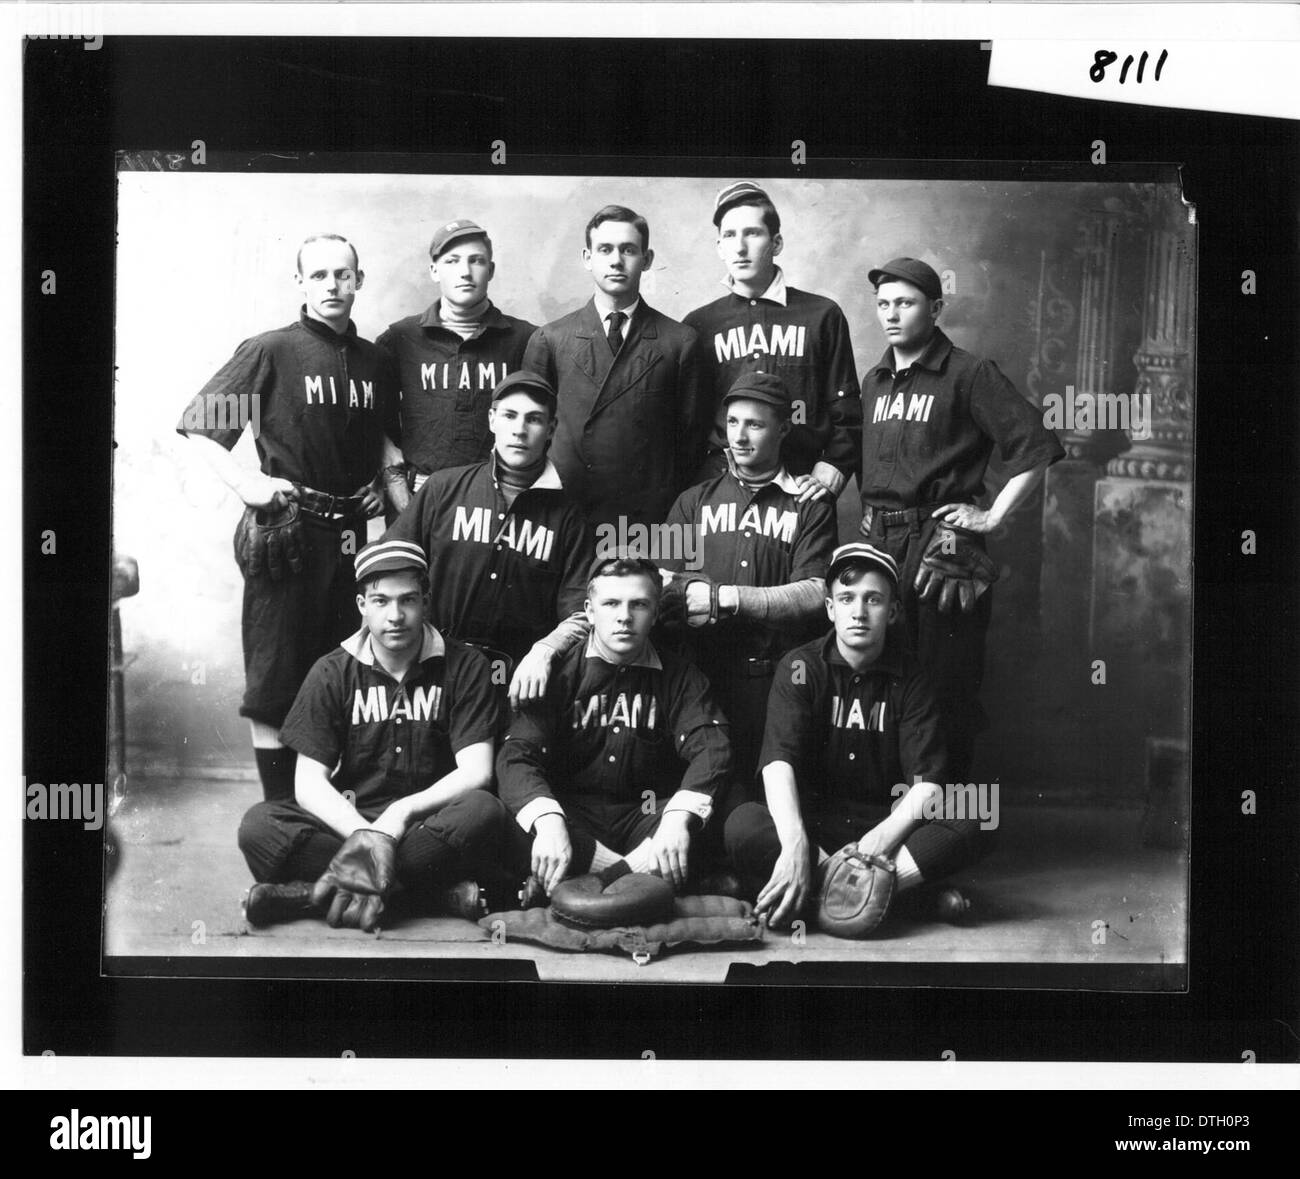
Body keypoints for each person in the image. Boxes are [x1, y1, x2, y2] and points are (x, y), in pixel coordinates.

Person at [177, 233, 398, 802]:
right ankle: (279, 816)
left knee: (344, 673)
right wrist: (245, 482)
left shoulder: (376, 359)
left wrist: (379, 485)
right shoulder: (270, 349)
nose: (332, 285)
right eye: (319, 275)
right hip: (288, 532)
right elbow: (198, 428)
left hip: (353, 539)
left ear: (359, 281)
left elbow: (382, 443)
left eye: (342, 275)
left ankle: (330, 816)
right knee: (278, 681)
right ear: (299, 283)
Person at [860, 256, 1065, 776]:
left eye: (904, 303)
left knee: (942, 682)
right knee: (880, 672)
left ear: (936, 307)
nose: (891, 314)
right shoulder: (875, 380)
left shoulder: (969, 373)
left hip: (941, 543)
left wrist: (992, 517)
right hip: (881, 543)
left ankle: (944, 826)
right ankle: (891, 813)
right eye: (883, 304)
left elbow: (1036, 446)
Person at [237, 539, 506, 929]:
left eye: (408, 600)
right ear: (362, 606)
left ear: (426, 601)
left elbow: (477, 771)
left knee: (484, 809)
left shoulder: (466, 665)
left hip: (428, 826)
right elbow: (308, 783)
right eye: (380, 601)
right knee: (259, 825)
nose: (395, 615)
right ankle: (428, 896)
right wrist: (365, 835)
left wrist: (398, 818)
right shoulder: (332, 671)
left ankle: (311, 896)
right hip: (352, 820)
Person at [725, 543, 984, 931]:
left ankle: (821, 895)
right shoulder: (799, 666)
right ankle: (903, 898)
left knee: (978, 811)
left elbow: (927, 787)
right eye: (846, 598)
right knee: (742, 823)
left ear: (893, 611)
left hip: (888, 828)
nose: (859, 612)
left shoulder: (913, 676)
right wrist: (795, 845)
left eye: (873, 600)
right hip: (815, 830)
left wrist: (871, 849)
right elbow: (778, 764)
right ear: (830, 608)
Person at [495, 555, 733, 897]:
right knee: (508, 814)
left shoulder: (681, 675)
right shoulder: (557, 672)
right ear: (590, 612)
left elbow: (713, 749)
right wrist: (549, 823)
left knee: (720, 809)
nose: (624, 616)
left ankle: (594, 882)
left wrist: (678, 818)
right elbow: (516, 757)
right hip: (573, 820)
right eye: (611, 604)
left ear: (654, 614)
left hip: (647, 815)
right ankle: (641, 879)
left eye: (638, 604)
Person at [658, 370, 836, 792]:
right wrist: (683, 589)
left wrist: (721, 598)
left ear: (784, 428)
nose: (738, 437)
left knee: (764, 805)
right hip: (701, 680)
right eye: (732, 423)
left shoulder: (810, 506)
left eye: (754, 424)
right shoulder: (693, 500)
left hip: (777, 682)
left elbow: (814, 594)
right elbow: (662, 585)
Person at [381, 370, 591, 702]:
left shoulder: (569, 516)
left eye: (534, 419)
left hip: (517, 680)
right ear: (492, 419)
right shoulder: (443, 487)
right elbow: (390, 567)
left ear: (551, 429)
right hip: (431, 665)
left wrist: (546, 649)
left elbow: (582, 609)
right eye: (509, 415)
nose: (520, 430)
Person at [521, 204, 708, 532]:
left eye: (628, 250)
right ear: (587, 258)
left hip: (648, 517)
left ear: (646, 260)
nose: (616, 260)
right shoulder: (550, 340)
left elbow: (690, 443)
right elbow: (532, 433)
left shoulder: (679, 342)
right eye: (605, 249)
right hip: (567, 512)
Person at [683, 181, 862, 505]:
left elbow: (846, 409)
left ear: (776, 242)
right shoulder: (699, 325)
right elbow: (687, 424)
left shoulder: (822, 315)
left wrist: (835, 464)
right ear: (719, 247)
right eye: (729, 236)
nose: (740, 248)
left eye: (752, 233)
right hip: (721, 488)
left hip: (802, 485)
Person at [376, 219, 537, 515]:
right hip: (418, 495)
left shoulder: (527, 339)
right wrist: (391, 470)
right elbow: (372, 416)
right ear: (434, 270)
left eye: (476, 261)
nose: (465, 271)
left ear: (490, 270)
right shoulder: (399, 338)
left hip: (498, 496)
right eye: (452, 261)